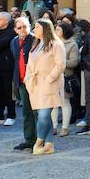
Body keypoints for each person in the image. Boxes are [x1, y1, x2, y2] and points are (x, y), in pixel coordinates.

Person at [23, 18, 65, 156]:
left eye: (37, 27)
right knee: (42, 115)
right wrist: (28, 78)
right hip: (35, 84)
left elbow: (60, 65)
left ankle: (39, 141)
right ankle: (49, 144)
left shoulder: (56, 44)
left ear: (45, 29)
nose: (34, 29)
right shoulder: (37, 44)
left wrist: (49, 79)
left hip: (49, 83)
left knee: (44, 115)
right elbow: (29, 64)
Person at [11, 17, 38, 152]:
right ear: (15, 29)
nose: (23, 29)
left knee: (37, 111)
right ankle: (29, 139)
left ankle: (40, 139)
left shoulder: (35, 39)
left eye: (25, 26)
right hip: (21, 80)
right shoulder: (14, 42)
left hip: (35, 81)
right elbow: (15, 59)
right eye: (19, 27)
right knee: (26, 111)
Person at [55, 21, 78, 136]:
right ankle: (53, 126)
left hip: (65, 76)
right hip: (54, 76)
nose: (56, 31)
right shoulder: (53, 43)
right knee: (53, 103)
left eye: (58, 29)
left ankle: (65, 127)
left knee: (65, 102)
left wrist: (61, 63)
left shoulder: (72, 44)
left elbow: (74, 62)